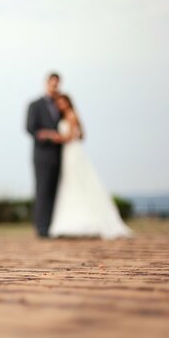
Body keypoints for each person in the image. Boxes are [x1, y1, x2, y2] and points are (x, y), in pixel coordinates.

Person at [45, 94, 132, 239]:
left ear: (68, 103)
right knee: (70, 184)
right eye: (58, 103)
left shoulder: (71, 116)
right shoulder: (66, 117)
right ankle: (71, 222)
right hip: (68, 153)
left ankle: (84, 222)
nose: (60, 105)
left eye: (63, 103)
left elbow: (72, 136)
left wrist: (52, 136)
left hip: (73, 152)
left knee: (77, 183)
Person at [26, 73, 62, 237]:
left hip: (59, 155)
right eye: (52, 84)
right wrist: (48, 135)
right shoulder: (35, 105)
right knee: (42, 190)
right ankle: (41, 228)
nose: (55, 87)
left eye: (57, 84)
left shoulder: (60, 104)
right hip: (42, 155)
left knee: (56, 191)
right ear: (46, 83)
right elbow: (30, 128)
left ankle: (52, 225)